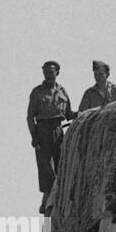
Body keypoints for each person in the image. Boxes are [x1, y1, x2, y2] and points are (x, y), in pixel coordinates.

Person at [26, 61, 74, 208]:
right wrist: (34, 136)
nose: (48, 75)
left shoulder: (62, 91)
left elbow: (68, 114)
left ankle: (60, 195)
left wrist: (84, 113)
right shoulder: (37, 92)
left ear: (57, 73)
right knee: (46, 165)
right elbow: (30, 117)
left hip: (58, 129)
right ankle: (48, 195)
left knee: (62, 163)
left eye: (51, 72)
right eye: (46, 72)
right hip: (42, 130)